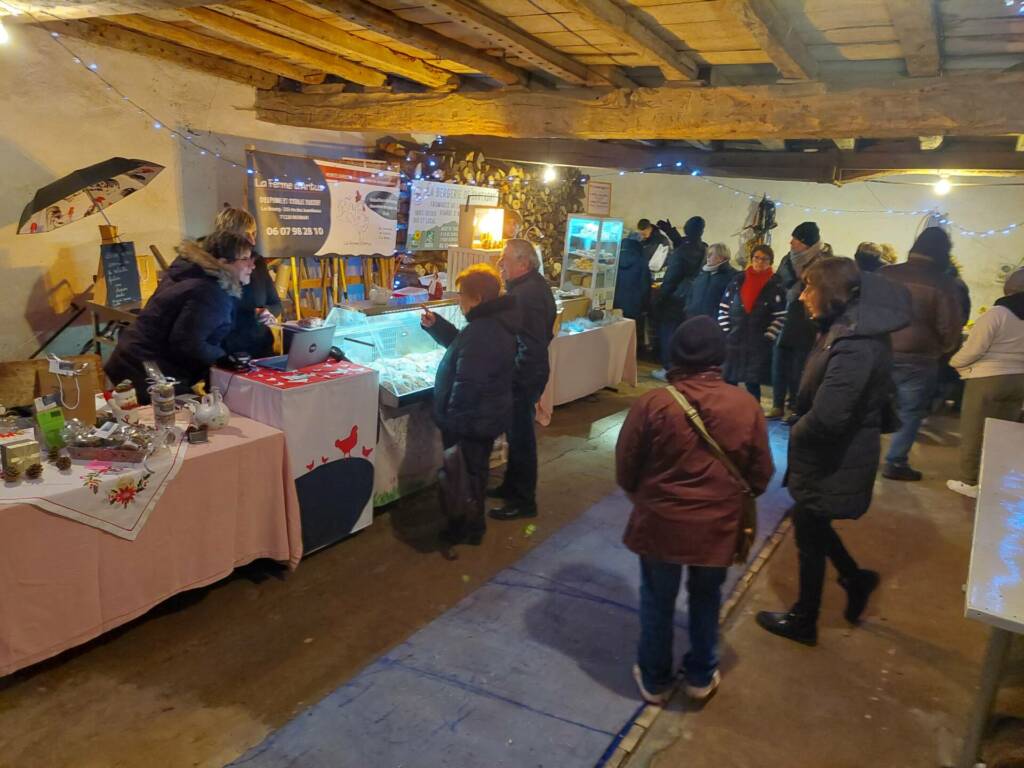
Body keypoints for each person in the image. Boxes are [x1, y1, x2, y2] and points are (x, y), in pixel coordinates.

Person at [616, 316, 774, 704]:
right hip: (718, 526)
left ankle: (655, 679)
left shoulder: (654, 404)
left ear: (676, 355)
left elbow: (626, 466)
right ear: (720, 355)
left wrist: (647, 497)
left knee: (657, 598)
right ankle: (701, 674)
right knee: (707, 597)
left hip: (661, 523)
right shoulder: (745, 405)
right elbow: (761, 473)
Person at [757, 258, 911, 646]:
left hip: (834, 455)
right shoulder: (843, 329)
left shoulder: (854, 342)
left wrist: (796, 432)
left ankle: (804, 619)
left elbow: (829, 416)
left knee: (809, 531)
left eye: (810, 287)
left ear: (833, 292)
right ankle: (854, 579)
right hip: (832, 452)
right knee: (810, 522)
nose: (802, 295)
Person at [421, 264, 517, 552]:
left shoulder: (483, 331)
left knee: (465, 476)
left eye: (462, 294)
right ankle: (473, 525)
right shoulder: (489, 324)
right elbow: (464, 348)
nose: (459, 300)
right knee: (474, 472)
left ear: (477, 298)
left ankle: (464, 528)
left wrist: (454, 422)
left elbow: (469, 381)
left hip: (471, 420)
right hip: (483, 416)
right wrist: (437, 326)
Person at [104, 230, 254, 402]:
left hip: (134, 361)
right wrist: (223, 357)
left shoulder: (189, 273)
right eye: (245, 259)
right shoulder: (209, 291)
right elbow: (189, 343)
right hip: (147, 371)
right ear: (222, 262)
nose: (252, 265)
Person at [879, 227, 963, 480]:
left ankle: (860, 456)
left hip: (880, 351)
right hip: (919, 359)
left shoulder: (885, 273)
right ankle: (895, 462)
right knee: (910, 412)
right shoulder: (944, 284)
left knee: (869, 406)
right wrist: (942, 349)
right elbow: (950, 327)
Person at [489, 239, 557, 521]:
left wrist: (515, 374)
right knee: (516, 435)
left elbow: (531, 343)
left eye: (505, 258)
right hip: (530, 371)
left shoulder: (526, 295)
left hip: (524, 374)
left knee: (521, 439)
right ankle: (511, 486)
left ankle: (523, 501)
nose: (500, 263)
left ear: (524, 264)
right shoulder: (533, 286)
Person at [947, 267, 1024, 499]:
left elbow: (974, 349)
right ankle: (992, 478)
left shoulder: (997, 314)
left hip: (988, 378)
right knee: (1001, 432)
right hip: (1020, 380)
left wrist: (954, 362)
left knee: (974, 431)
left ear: (1011, 287)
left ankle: (969, 481)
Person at [202, 207, 283, 359]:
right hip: (228, 354)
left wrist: (266, 312)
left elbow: (276, 303)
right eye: (246, 235)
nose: (253, 241)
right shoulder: (212, 269)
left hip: (262, 349)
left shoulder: (257, 263)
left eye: (254, 233)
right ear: (228, 236)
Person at [770, 222, 825, 421]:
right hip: (783, 317)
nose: (791, 242)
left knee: (798, 368)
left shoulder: (821, 263)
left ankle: (795, 405)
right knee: (779, 363)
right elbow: (777, 283)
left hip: (805, 322)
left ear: (806, 243)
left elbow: (820, 291)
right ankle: (777, 404)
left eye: (796, 239)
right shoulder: (787, 259)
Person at [720, 244, 787, 401]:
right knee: (729, 379)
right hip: (734, 339)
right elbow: (724, 307)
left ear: (770, 262)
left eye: (765, 259)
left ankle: (752, 410)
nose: (760, 262)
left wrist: (768, 336)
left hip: (758, 342)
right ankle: (727, 409)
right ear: (752, 259)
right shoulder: (738, 280)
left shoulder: (776, 285)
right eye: (757, 258)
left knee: (752, 382)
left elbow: (781, 316)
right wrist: (726, 330)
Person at [652, 216, 707, 380]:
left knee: (668, 333)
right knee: (684, 334)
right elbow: (685, 244)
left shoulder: (681, 252)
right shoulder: (703, 248)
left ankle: (669, 369)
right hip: (693, 296)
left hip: (675, 297)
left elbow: (671, 279)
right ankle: (682, 369)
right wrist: (671, 232)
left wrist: (659, 298)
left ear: (687, 229)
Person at [613, 237, 652, 352]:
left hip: (615, 304)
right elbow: (645, 287)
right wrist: (645, 306)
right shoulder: (641, 262)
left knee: (616, 333)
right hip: (635, 305)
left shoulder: (613, 261)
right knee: (632, 335)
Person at [684, 242, 738, 320]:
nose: (708, 256)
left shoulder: (733, 276)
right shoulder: (702, 273)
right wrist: (688, 309)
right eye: (708, 254)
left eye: (711, 254)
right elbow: (691, 293)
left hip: (714, 322)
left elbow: (732, 302)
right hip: (693, 319)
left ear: (721, 257)